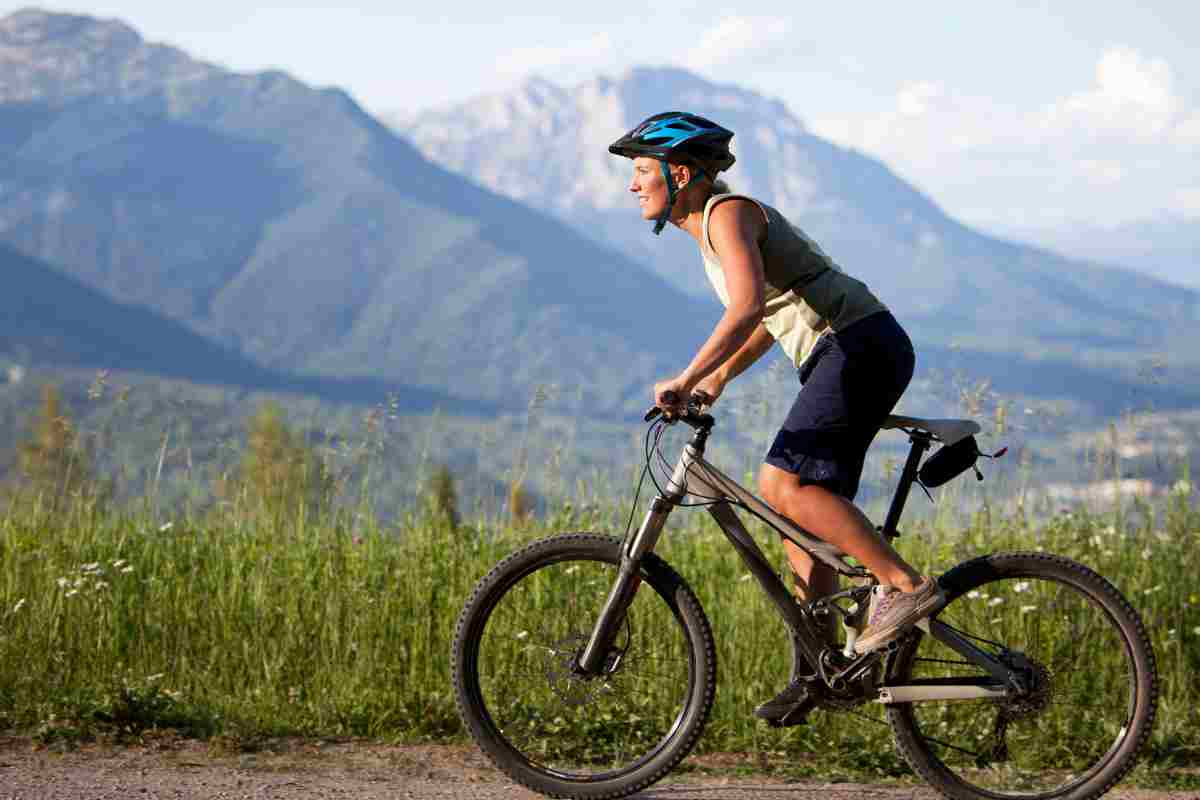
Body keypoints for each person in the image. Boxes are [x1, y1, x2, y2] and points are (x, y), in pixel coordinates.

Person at [609, 112, 946, 723]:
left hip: (856, 344)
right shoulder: (713, 232)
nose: (632, 186)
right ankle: (821, 673)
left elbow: (743, 310)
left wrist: (686, 376)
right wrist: (714, 380)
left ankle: (902, 587)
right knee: (801, 532)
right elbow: (767, 318)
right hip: (849, 349)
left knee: (781, 484)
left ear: (678, 172)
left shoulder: (727, 215)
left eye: (639, 172)